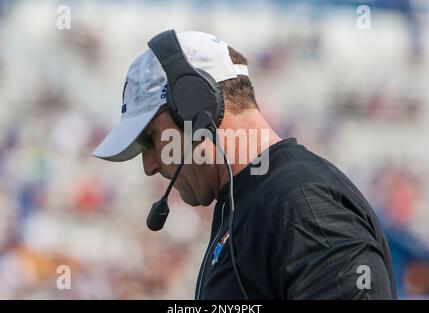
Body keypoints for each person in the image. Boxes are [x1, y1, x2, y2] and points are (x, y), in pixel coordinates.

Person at [93, 30, 397, 299]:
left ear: (194, 106)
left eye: (150, 139)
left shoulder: (302, 202)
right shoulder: (253, 202)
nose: (148, 165)